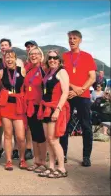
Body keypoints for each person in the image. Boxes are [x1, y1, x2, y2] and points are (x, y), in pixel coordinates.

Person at [60, 30, 96, 167]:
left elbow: (92, 77)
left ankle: (86, 156)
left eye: (75, 38)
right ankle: (62, 154)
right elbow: (61, 76)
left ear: (80, 40)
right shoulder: (64, 56)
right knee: (64, 126)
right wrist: (74, 87)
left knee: (86, 126)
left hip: (84, 96)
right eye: (70, 38)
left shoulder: (87, 56)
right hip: (67, 95)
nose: (72, 40)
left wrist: (80, 90)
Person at [37, 50, 70, 178]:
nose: (52, 60)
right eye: (49, 58)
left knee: (54, 139)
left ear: (59, 59)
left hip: (55, 108)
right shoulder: (48, 73)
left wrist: (58, 109)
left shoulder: (62, 72)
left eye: (55, 58)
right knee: (48, 140)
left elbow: (65, 93)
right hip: (46, 108)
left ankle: (61, 168)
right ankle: (51, 166)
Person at [0, 50, 28, 171]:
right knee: (8, 135)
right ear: (4, 60)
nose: (9, 60)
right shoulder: (1, 72)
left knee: (20, 136)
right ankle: (8, 160)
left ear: (16, 59)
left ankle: (22, 158)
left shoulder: (22, 71)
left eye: (11, 57)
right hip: (6, 106)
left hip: (18, 106)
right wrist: (4, 94)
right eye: (7, 58)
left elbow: (25, 87)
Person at [23, 47, 47, 173]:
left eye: (36, 54)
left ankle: (43, 162)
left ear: (41, 55)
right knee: (34, 135)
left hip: (40, 107)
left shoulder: (44, 69)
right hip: (30, 106)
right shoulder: (29, 70)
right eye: (31, 54)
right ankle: (36, 161)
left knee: (41, 136)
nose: (33, 56)